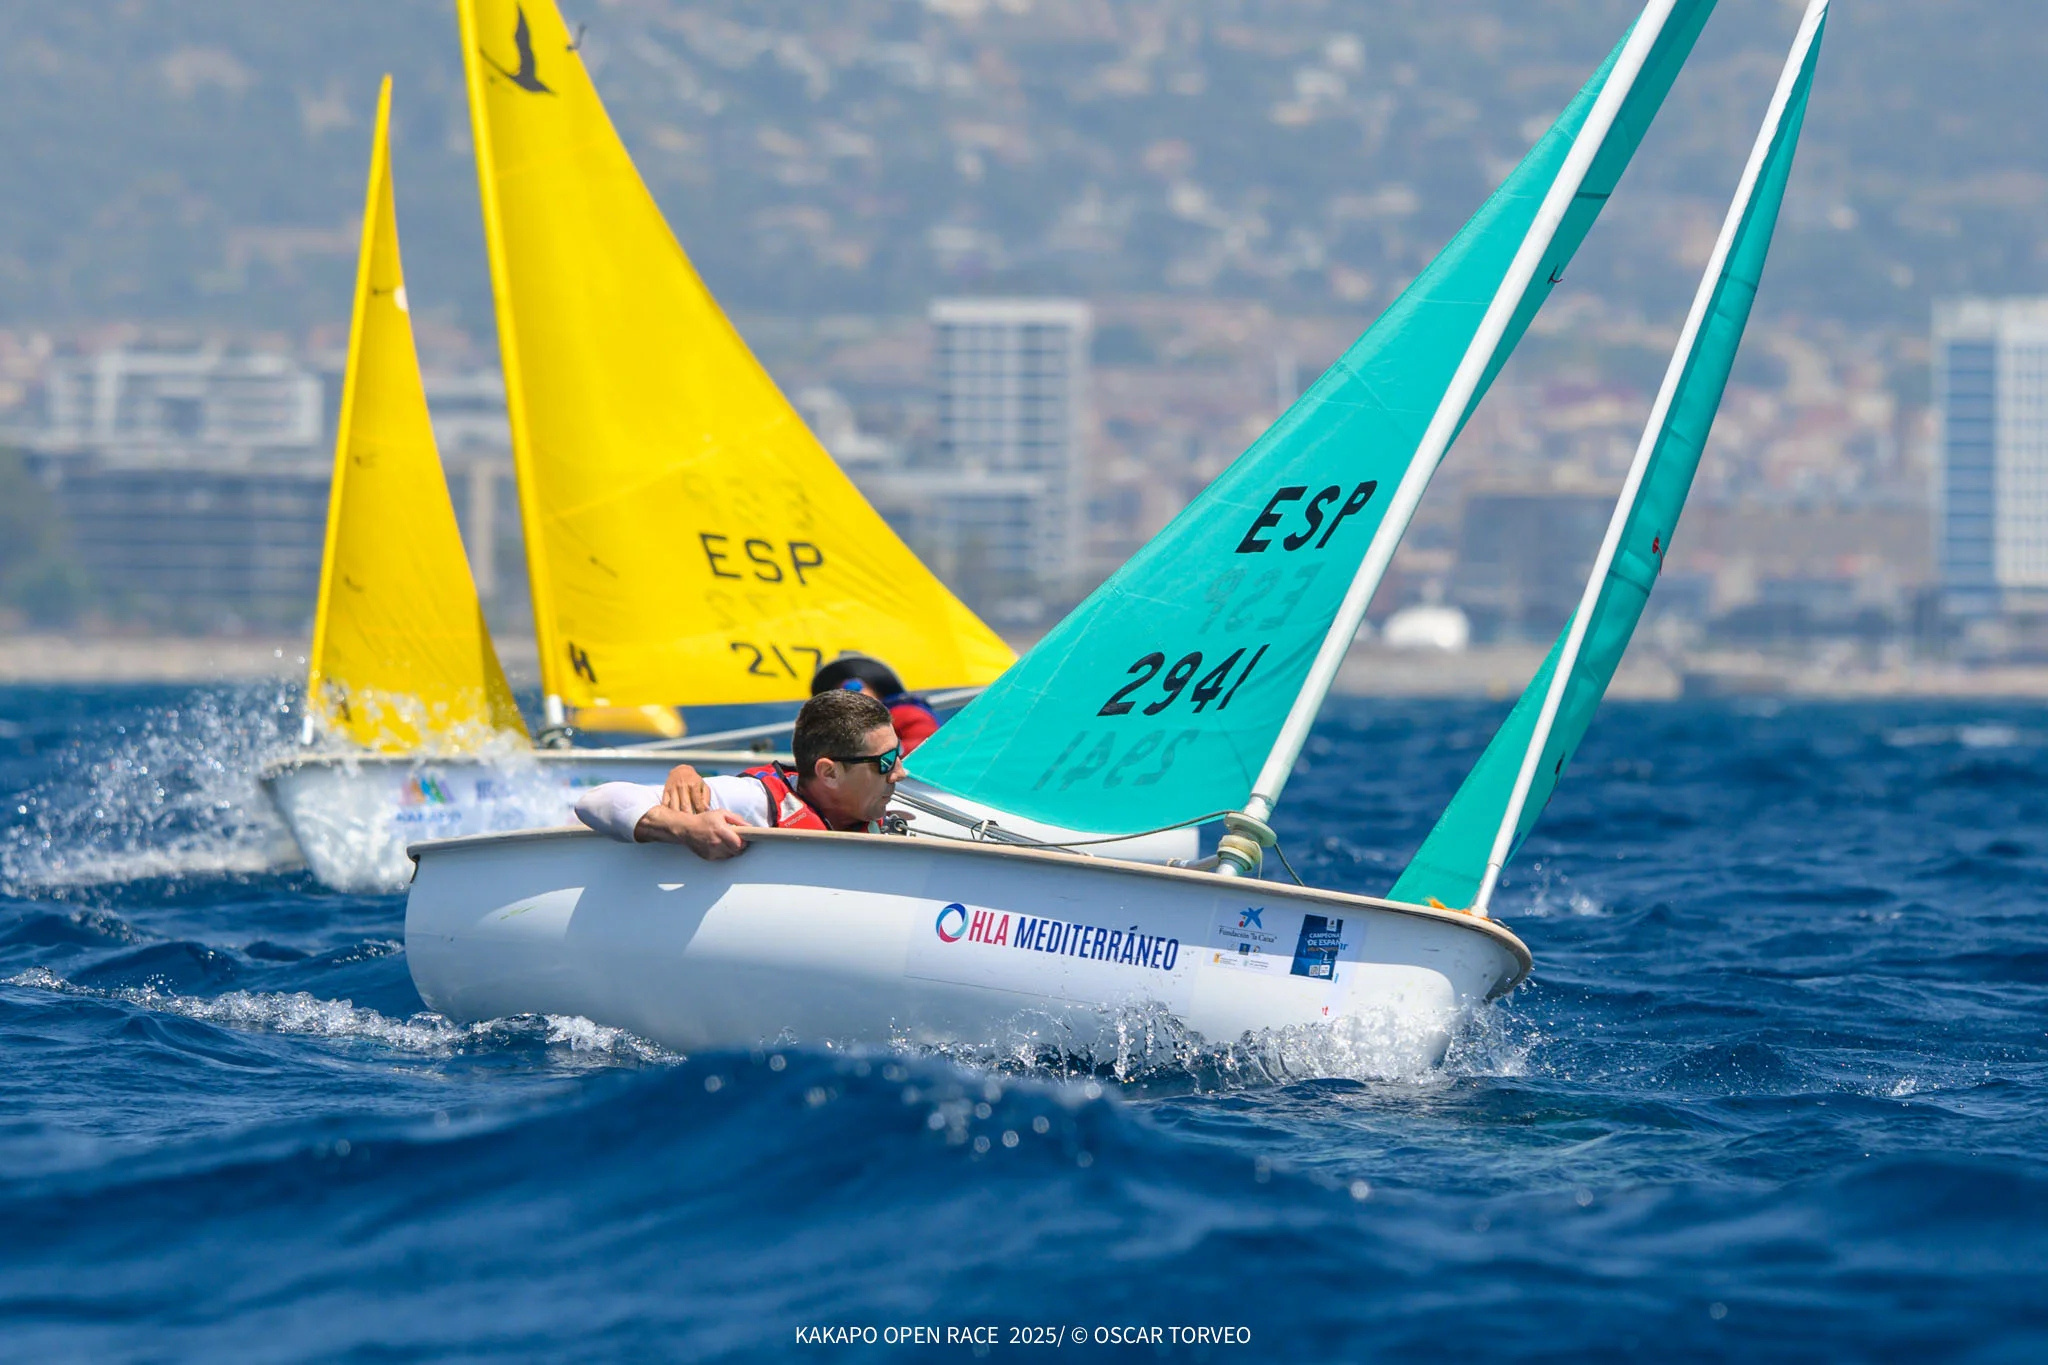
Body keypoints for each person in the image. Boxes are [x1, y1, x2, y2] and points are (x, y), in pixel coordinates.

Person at [575, 688, 904, 861]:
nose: (899, 773)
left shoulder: (881, 810)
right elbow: (596, 801)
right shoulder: (754, 803)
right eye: (886, 762)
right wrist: (687, 828)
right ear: (829, 773)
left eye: (899, 755)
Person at [810, 653, 940, 754]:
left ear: (876, 689)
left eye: (853, 687)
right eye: (837, 695)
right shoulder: (839, 730)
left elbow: (930, 746)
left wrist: (885, 753)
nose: (847, 696)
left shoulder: (905, 712)